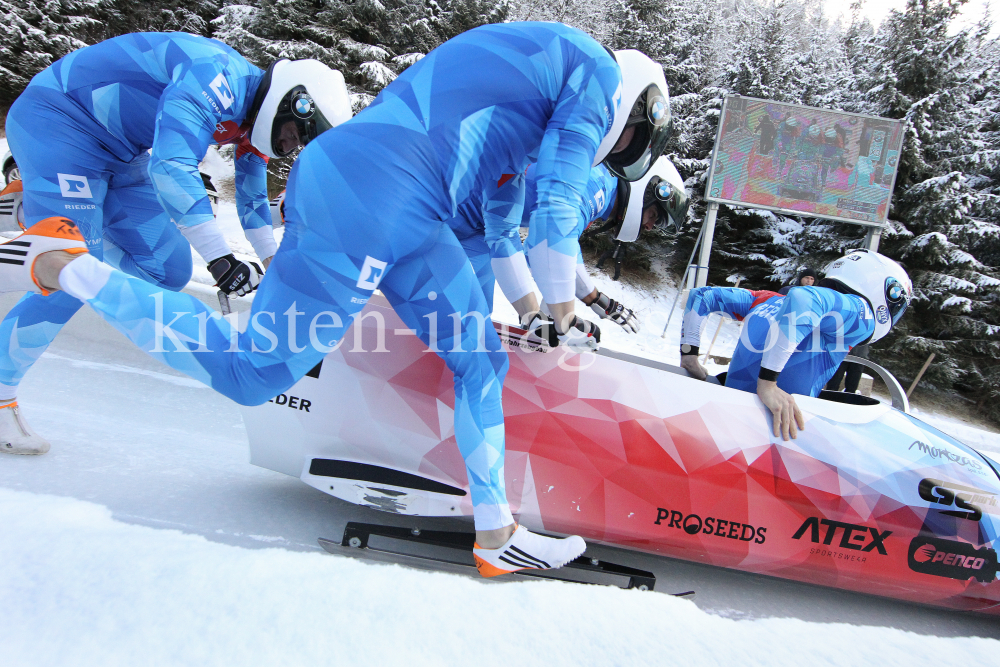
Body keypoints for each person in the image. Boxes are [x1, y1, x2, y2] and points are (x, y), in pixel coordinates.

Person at [0, 22, 672, 576]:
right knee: (251, 372)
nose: (617, 158)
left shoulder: (543, 92)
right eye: (631, 146)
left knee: (479, 360)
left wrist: (534, 306)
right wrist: (564, 305)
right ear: (637, 110)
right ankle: (74, 270)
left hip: (414, 212)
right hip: (367, 194)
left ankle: (495, 533)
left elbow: (504, 215)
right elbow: (558, 200)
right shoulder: (596, 75)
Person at [0, 32, 352, 454]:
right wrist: (221, 260)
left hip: (120, 154)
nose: (290, 146)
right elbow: (171, 164)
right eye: (296, 135)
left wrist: (273, 264)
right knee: (70, 274)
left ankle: (35, 213)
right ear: (292, 101)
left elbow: (253, 198)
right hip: (59, 123)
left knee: (168, 270)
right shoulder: (215, 76)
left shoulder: (251, 119)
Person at [678, 250, 911, 440]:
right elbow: (804, 299)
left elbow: (702, 296)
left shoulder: (770, 299)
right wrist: (768, 384)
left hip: (722, 421)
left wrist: (690, 355)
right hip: (773, 434)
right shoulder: (859, 316)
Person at [449, 155, 688, 340]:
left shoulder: (600, 191)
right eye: (654, 215)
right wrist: (596, 300)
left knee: (474, 318)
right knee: (455, 319)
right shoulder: (596, 187)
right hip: (458, 214)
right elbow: (547, 248)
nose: (649, 227)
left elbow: (548, 258)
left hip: (479, 225)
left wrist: (551, 319)